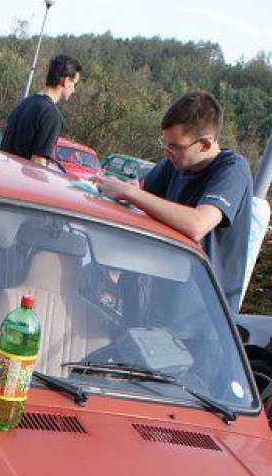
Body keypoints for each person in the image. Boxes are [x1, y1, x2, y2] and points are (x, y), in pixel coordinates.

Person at [97, 91, 253, 313]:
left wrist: (130, 193)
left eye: (175, 146)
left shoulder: (233, 170)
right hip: (157, 298)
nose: (167, 151)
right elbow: (141, 207)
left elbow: (198, 224)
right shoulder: (173, 165)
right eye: (165, 143)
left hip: (202, 313)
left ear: (205, 144)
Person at [0, 54, 82, 165]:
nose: (73, 90)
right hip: (20, 175)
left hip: (2, 170)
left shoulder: (24, 103)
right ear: (66, 81)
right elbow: (38, 162)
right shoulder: (51, 115)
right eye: (74, 84)